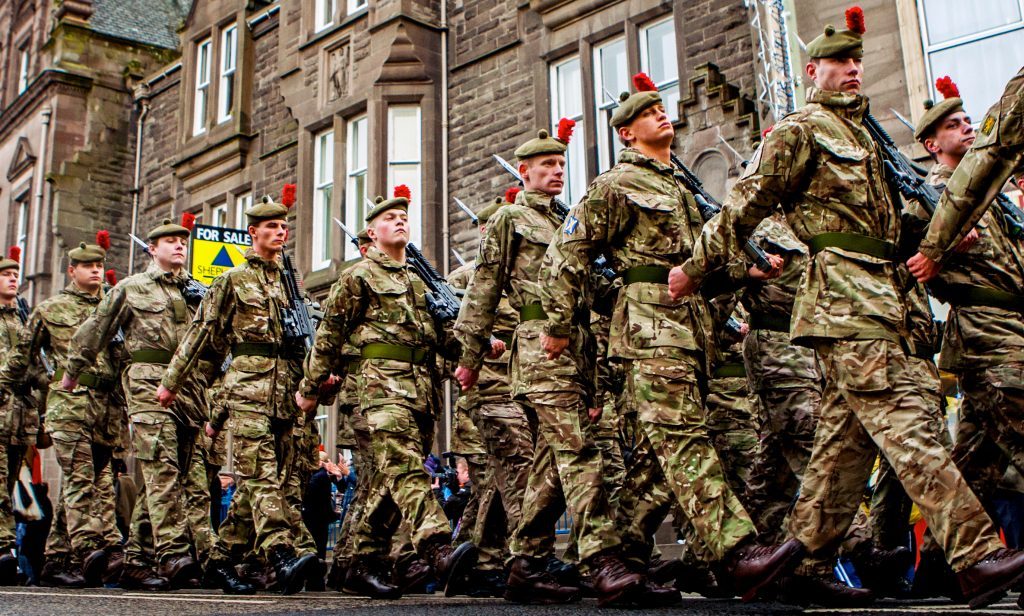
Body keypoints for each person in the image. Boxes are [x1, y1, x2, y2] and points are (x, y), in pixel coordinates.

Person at [676, 9, 1024, 609]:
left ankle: (795, 558)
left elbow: (896, 226)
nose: (852, 71)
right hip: (842, 301)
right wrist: (695, 269)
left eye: (857, 62)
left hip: (883, 299)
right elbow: (740, 207)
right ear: (813, 70)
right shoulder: (801, 130)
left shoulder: (870, 140)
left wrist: (941, 233)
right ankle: (974, 554)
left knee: (842, 448)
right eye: (839, 63)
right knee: (910, 430)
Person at [538, 70, 800, 605]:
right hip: (648, 331)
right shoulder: (614, 185)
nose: (662, 113)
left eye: (662, 107)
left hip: (691, 334)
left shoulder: (681, 188)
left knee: (659, 461)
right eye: (646, 112)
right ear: (627, 133)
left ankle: (623, 558)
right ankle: (738, 550)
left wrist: (743, 274)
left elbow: (698, 268)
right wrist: (561, 327)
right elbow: (564, 256)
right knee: (684, 442)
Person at [295, 187, 480, 600]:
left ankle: (363, 561)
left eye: (403, 217)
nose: (399, 221)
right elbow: (329, 336)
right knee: (405, 470)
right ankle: (436, 546)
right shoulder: (358, 277)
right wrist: (310, 388)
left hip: (420, 393)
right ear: (372, 233)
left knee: (387, 482)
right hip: (380, 389)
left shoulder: (417, 282)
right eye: (388, 218)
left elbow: (442, 339)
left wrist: (476, 349)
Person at [159, 191, 317, 595]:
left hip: (284, 390)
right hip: (246, 387)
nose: (280, 232)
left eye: (283, 227)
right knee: (261, 474)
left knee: (258, 486)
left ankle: (221, 559)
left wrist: (314, 381)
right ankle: (281, 554)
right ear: (253, 233)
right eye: (271, 227)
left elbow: (302, 339)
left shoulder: (290, 283)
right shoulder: (232, 280)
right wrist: (170, 383)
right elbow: (202, 334)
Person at [65, 214, 217, 591]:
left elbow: (214, 344)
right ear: (152, 249)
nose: (180, 245)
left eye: (183, 240)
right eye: (171, 241)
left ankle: (135, 560)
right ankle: (172, 552)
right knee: (161, 465)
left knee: (164, 476)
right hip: (148, 385)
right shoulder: (132, 288)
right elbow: (95, 329)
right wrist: (72, 371)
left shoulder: (197, 292)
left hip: (190, 390)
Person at [0, 232, 121, 588]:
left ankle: (56, 558)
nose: (96, 271)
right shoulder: (49, 310)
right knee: (82, 479)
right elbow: (25, 359)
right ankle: (92, 546)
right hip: (67, 405)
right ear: (72, 271)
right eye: (88, 266)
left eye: (100, 265)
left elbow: (123, 360)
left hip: (104, 409)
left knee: (92, 483)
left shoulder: (114, 307)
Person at [0, 246, 45, 586]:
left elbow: (37, 364)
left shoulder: (24, 317)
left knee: (11, 479)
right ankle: (4, 551)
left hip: (21, 414)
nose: (14, 278)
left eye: (16, 274)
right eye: (6, 274)